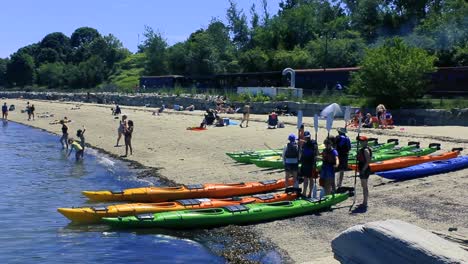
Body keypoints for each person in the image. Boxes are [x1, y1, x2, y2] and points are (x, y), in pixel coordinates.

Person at [300, 131, 319, 197]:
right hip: (306, 163)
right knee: (306, 178)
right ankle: (305, 192)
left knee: (310, 178)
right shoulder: (305, 144)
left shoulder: (313, 143)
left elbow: (316, 153)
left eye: (307, 137)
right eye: (306, 137)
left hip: (311, 163)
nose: (307, 139)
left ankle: (309, 193)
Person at [357, 136, 372, 207]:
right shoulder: (362, 149)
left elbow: (368, 161)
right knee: (363, 186)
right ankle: (364, 201)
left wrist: (363, 170)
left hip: (364, 169)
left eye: (362, 141)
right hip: (362, 168)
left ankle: (365, 202)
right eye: (360, 141)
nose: (361, 143)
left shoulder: (366, 150)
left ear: (366, 142)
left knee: (364, 186)